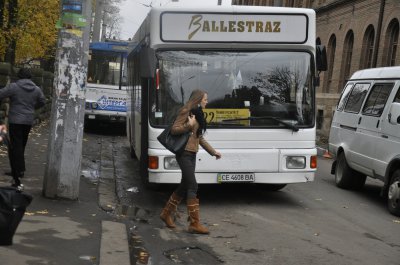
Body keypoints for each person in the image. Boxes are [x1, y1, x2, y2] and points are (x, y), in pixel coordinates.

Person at [160, 89, 222, 234]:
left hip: (192, 153)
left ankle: (166, 214)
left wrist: (213, 152)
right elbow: (174, 129)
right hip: (184, 154)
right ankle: (194, 223)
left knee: (184, 185)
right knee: (192, 185)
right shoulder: (186, 111)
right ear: (198, 99)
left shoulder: (198, 114)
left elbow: (198, 137)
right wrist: (188, 125)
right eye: (205, 99)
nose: (207, 101)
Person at [0, 68, 46, 187]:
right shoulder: (36, 89)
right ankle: (17, 170)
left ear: (19, 76)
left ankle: (19, 170)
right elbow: (42, 101)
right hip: (28, 120)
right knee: (21, 144)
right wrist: (32, 107)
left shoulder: (14, 86)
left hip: (15, 120)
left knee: (16, 146)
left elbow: (1, 94)